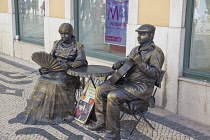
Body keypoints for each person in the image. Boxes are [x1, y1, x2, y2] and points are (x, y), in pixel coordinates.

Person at [88, 24, 164, 140]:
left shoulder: (156, 52)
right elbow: (128, 61)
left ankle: (113, 135)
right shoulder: (136, 49)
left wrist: (140, 63)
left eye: (142, 34)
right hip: (127, 82)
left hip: (141, 87)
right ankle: (101, 122)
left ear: (151, 35)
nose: (139, 36)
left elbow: (156, 74)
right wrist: (119, 64)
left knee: (113, 96)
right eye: (138, 33)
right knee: (100, 88)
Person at [18, 23, 88, 125]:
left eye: (66, 34)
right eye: (61, 34)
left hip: (67, 73)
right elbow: (50, 59)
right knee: (42, 79)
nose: (63, 37)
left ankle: (62, 112)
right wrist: (43, 68)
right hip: (54, 70)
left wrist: (69, 65)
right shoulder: (56, 44)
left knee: (59, 83)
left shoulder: (77, 46)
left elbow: (83, 61)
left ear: (71, 33)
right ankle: (43, 109)